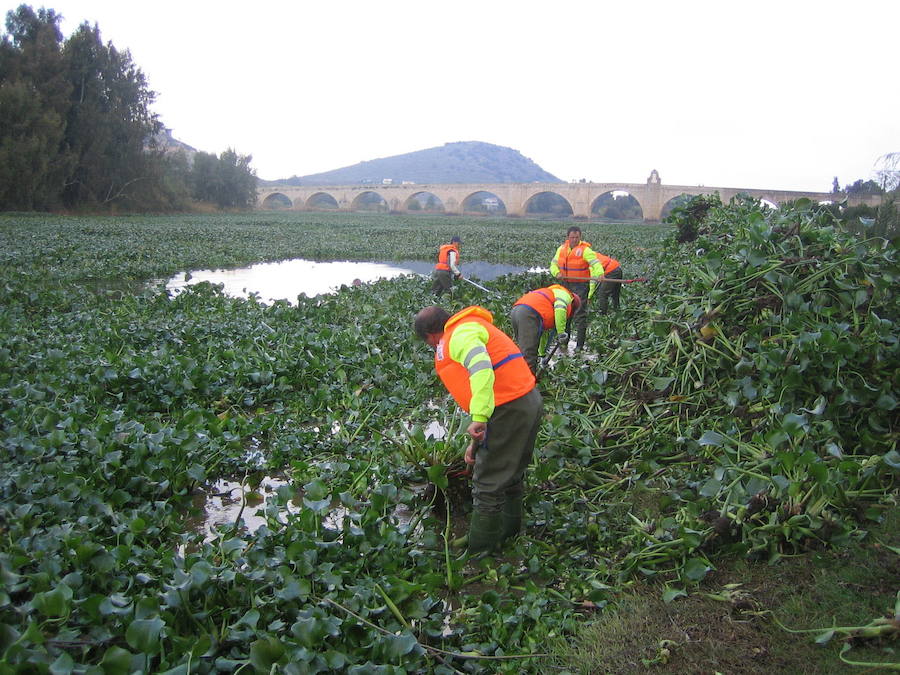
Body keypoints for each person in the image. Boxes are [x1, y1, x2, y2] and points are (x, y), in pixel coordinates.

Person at [414, 305, 543, 555]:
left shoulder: (459, 335)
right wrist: (475, 444)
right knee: (512, 471)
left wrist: (480, 417)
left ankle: (481, 549)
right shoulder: (470, 327)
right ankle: (508, 531)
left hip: (509, 407)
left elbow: (482, 367)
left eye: (429, 343)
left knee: (487, 482)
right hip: (526, 401)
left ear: (431, 336)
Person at [549, 226, 623, 351]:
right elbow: (553, 264)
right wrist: (556, 273)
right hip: (565, 285)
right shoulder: (561, 249)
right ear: (567, 238)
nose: (574, 240)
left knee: (580, 314)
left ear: (580, 237)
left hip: (581, 285)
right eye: (572, 237)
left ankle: (579, 346)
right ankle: (564, 342)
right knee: (566, 313)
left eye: (577, 237)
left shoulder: (585, 250)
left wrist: (600, 274)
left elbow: (595, 264)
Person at [509, 284, 581, 374]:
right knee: (529, 355)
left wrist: (542, 355)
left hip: (517, 310)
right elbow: (560, 308)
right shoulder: (566, 296)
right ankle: (529, 385)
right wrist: (561, 332)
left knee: (524, 351)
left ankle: (522, 379)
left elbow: (543, 334)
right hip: (530, 313)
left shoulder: (551, 297)